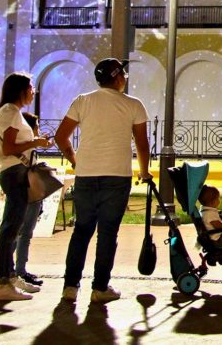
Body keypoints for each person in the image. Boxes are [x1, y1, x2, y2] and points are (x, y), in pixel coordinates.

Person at [54, 58, 150, 304]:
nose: (125, 79)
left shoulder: (83, 101)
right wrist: (144, 171)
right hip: (117, 177)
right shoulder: (134, 105)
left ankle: (70, 287)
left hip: (86, 175)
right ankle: (100, 288)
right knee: (108, 233)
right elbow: (141, 142)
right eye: (124, 75)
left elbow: (61, 136)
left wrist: (74, 159)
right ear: (117, 77)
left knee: (81, 231)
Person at [0, 72, 51, 302]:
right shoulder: (9, 112)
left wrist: (36, 143)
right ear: (20, 90)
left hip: (18, 172)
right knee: (10, 229)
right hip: (14, 172)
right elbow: (10, 148)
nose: (33, 91)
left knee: (13, 227)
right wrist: (36, 142)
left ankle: (10, 277)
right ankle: (2, 282)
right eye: (31, 87)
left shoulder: (13, 112)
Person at [14, 112, 46, 287]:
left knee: (19, 232)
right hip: (30, 193)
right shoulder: (27, 147)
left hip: (25, 191)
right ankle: (18, 270)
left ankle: (14, 269)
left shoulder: (25, 146)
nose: (39, 129)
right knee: (24, 232)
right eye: (37, 125)